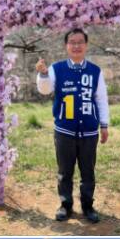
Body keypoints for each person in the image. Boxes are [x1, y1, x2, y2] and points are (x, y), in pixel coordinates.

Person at [36, 28, 110, 223]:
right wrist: (43, 74)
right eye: (72, 42)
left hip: (88, 132)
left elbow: (101, 99)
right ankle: (65, 205)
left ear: (86, 45)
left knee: (88, 171)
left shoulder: (95, 71)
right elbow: (44, 90)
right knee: (64, 171)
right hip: (64, 131)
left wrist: (104, 125)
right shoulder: (56, 69)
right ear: (66, 46)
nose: (76, 46)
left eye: (80, 42)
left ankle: (88, 206)